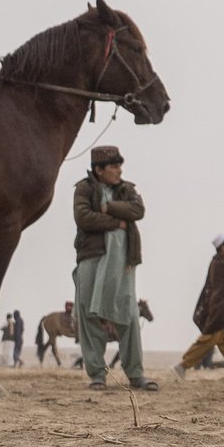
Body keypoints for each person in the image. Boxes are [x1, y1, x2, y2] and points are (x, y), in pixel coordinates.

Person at [72, 145, 155, 392]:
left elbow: (137, 210)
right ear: (99, 170)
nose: (119, 171)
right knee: (89, 315)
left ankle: (136, 374)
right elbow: (83, 217)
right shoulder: (84, 188)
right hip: (92, 257)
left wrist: (108, 208)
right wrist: (117, 222)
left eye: (120, 166)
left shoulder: (126, 189)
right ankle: (97, 374)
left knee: (128, 315)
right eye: (114, 166)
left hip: (123, 260)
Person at [178, 234, 224, 376]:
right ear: (223, 248)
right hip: (219, 312)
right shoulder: (219, 264)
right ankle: (182, 366)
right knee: (208, 340)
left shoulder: (220, 263)